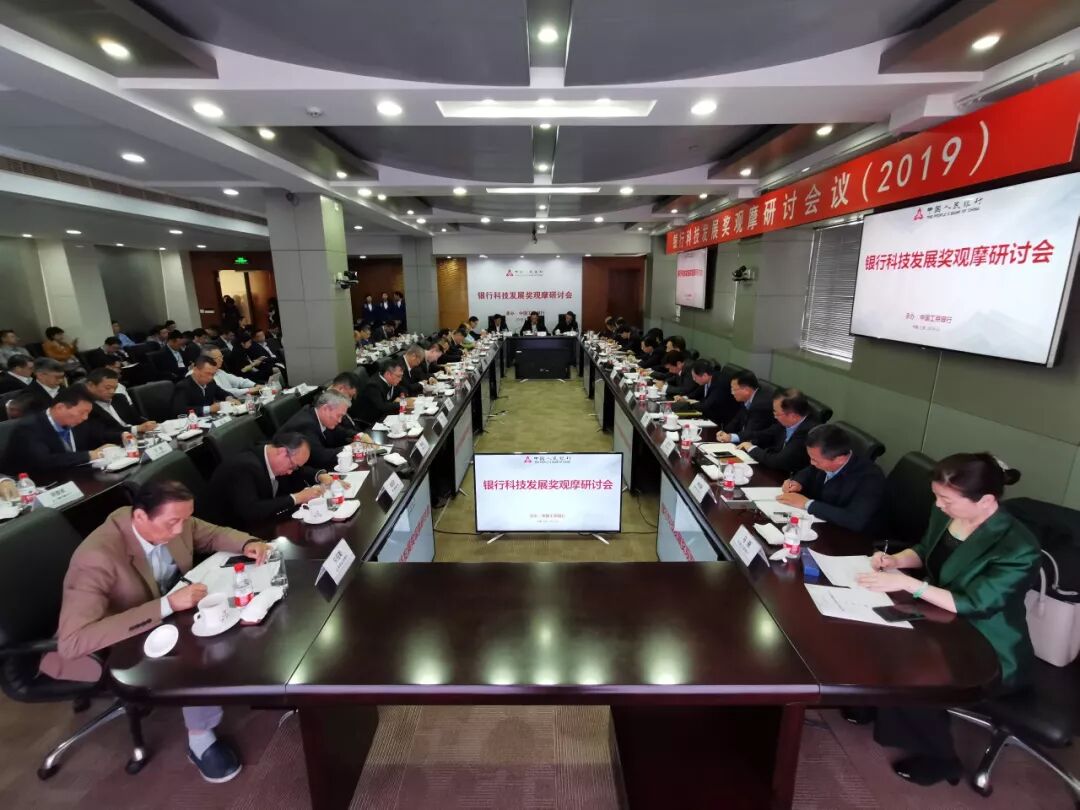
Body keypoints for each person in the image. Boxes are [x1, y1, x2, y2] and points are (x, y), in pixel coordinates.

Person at [40, 480, 271, 783]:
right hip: (114, 639)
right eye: (173, 522)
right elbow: (72, 642)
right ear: (139, 517)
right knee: (196, 650)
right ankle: (200, 741)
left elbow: (211, 533)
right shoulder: (96, 557)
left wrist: (247, 543)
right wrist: (165, 606)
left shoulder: (171, 520)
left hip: (162, 610)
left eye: (185, 520)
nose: (180, 529)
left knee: (226, 610)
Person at [854, 453, 1040, 787]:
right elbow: (925, 550)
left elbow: (976, 604)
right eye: (937, 496)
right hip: (938, 613)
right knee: (873, 633)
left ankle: (941, 758)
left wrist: (909, 584)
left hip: (985, 641)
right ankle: (874, 703)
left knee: (914, 670)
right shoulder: (946, 514)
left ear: (985, 501)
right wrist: (895, 561)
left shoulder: (1018, 547)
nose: (938, 505)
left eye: (946, 499)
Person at [203, 433, 340, 532]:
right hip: (227, 531)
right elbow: (251, 510)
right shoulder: (244, 467)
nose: (291, 472)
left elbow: (300, 470)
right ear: (282, 452)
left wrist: (320, 475)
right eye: (292, 466)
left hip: (263, 523)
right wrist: (296, 498)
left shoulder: (271, 453)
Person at [777, 424, 886, 532]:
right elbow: (810, 471)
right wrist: (798, 482)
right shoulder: (826, 459)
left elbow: (855, 520)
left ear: (840, 460)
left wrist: (807, 504)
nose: (811, 462)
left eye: (815, 460)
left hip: (850, 536)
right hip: (821, 523)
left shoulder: (870, 478)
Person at [8, 385, 117, 471]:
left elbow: (98, 434)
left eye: (88, 413)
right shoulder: (29, 427)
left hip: (74, 475)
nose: (85, 417)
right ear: (60, 407)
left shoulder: (76, 421)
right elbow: (44, 461)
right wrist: (88, 455)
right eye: (82, 412)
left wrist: (122, 435)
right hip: (39, 482)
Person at [738, 388, 818, 474]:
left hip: (792, 476)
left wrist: (751, 448)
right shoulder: (787, 422)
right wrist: (739, 438)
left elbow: (779, 461)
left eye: (776, 413)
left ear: (792, 416)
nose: (775, 417)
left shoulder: (808, 432)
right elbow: (767, 434)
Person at [280, 391, 353, 468]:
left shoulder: (316, 414)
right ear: (325, 409)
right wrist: (351, 448)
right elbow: (320, 457)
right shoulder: (306, 425)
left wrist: (357, 435)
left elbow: (338, 431)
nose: (340, 421)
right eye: (339, 416)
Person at [84, 368, 156, 439]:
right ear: (91, 385)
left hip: (138, 437)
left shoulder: (119, 398)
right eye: (108, 388)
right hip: (114, 442)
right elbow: (104, 433)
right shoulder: (85, 407)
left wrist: (149, 424)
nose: (112, 391)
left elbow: (136, 419)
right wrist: (136, 429)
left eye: (115, 388)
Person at [717, 370, 774, 445]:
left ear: (746, 390)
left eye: (734, 389)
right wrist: (724, 432)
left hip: (759, 445)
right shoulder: (747, 397)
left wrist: (731, 437)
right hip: (746, 438)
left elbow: (750, 433)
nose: (732, 393)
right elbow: (738, 418)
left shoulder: (760, 405)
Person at [672, 361, 738, 425]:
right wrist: (685, 398)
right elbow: (699, 391)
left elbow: (706, 406)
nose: (694, 379)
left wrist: (688, 404)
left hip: (722, 419)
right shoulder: (709, 377)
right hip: (710, 412)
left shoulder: (719, 385)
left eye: (695, 377)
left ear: (704, 375)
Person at [355, 357, 412, 431]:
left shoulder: (390, 380)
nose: (400, 379)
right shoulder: (373, 386)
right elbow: (382, 406)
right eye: (399, 376)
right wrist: (402, 403)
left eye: (401, 376)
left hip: (385, 416)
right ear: (388, 374)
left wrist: (402, 394)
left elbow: (401, 388)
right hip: (372, 422)